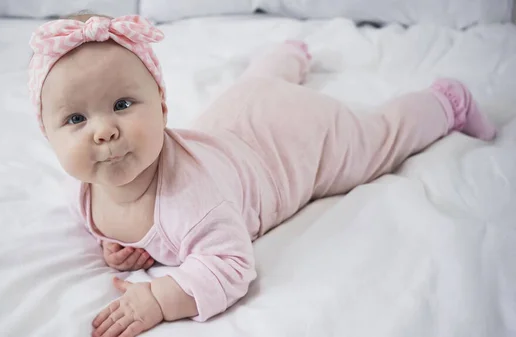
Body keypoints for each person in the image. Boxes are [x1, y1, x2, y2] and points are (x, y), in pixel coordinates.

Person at [27, 13, 497, 337]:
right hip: (242, 113)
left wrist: (159, 299)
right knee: (253, 88)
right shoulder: (83, 193)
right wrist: (121, 243)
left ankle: (444, 102)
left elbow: (231, 267)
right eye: (75, 120)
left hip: (292, 141)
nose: (105, 131)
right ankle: (288, 54)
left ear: (164, 107)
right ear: (48, 138)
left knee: (376, 140)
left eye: (123, 105)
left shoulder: (196, 202)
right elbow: (120, 219)